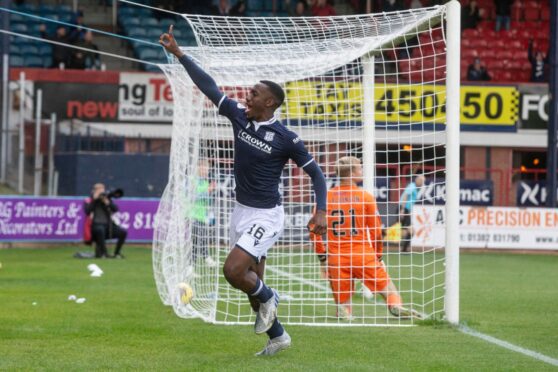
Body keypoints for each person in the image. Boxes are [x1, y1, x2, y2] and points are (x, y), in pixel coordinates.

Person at [159, 25, 327, 356]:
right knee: (249, 282)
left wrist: (321, 210)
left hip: (267, 214)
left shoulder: (286, 138)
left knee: (233, 271)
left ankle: (270, 297)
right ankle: (278, 336)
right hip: (241, 211)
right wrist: (180, 54)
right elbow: (208, 87)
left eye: (253, 94)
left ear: (270, 102)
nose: (245, 96)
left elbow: (317, 174)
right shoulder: (239, 117)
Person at [312, 156, 421, 320]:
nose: (362, 170)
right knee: (389, 289)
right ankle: (395, 305)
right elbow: (376, 231)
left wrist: (322, 257)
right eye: (359, 168)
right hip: (362, 256)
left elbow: (314, 230)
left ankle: (344, 309)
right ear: (351, 173)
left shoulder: (325, 198)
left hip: (336, 258)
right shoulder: (366, 197)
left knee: (342, 301)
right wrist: (378, 255)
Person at [84, 183, 127, 259]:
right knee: (100, 230)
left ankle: (117, 253)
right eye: (99, 190)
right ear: (95, 191)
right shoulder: (89, 200)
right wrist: (95, 199)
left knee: (123, 232)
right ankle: (104, 253)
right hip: (95, 227)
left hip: (108, 226)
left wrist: (107, 203)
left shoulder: (107, 199)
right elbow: (87, 211)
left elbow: (115, 209)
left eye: (102, 190)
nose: (102, 192)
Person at [190, 159, 218, 267]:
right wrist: (208, 190)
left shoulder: (205, 182)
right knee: (199, 238)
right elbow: (193, 197)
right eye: (205, 168)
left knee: (198, 240)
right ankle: (206, 258)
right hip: (192, 215)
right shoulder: (193, 180)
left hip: (201, 215)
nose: (207, 171)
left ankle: (191, 266)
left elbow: (207, 201)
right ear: (199, 168)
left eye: (208, 169)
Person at [398, 174, 424, 253]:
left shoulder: (415, 188)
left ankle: (404, 248)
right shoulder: (412, 186)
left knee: (408, 231)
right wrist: (402, 209)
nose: (422, 183)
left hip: (406, 210)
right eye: (421, 181)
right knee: (410, 231)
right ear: (417, 180)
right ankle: (403, 249)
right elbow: (405, 196)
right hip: (404, 209)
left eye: (423, 181)